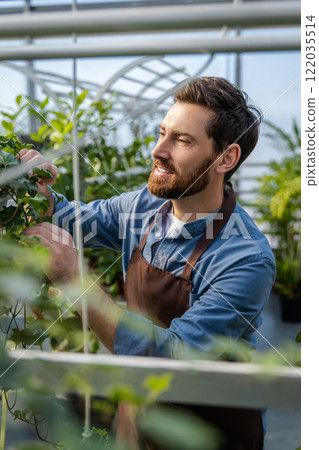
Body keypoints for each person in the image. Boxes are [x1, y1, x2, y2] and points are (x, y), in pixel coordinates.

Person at [21, 77, 276, 449]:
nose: (158, 150)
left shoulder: (244, 257)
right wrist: (38, 190)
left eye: (182, 140)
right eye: (162, 133)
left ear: (227, 158)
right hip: (138, 420)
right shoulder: (144, 206)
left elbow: (170, 357)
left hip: (208, 434)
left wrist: (77, 283)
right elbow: (68, 217)